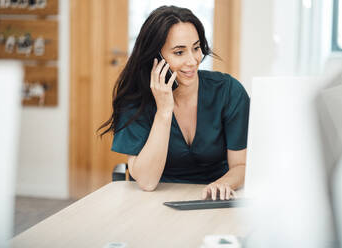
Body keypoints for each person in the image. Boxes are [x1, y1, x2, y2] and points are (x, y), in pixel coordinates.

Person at [99, 5, 250, 201]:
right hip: (157, 200)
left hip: (215, 199)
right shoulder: (136, 101)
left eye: (196, 48)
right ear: (156, 58)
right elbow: (146, 181)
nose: (192, 61)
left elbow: (241, 166)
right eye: (179, 52)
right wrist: (163, 111)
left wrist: (222, 184)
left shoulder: (229, 91)